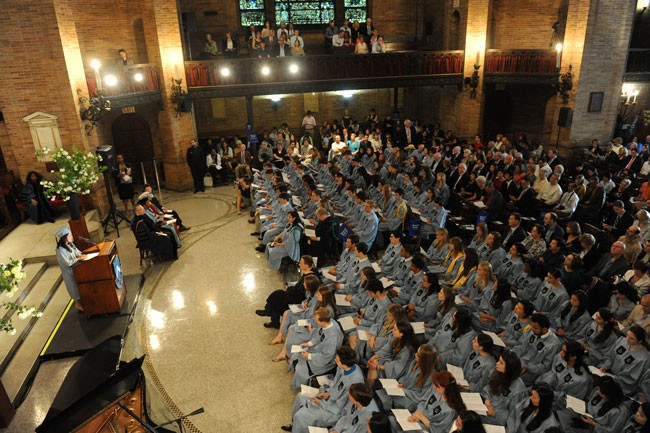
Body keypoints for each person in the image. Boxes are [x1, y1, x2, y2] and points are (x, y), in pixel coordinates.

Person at [55, 226, 87, 311]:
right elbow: (68, 262)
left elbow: (77, 252)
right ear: (64, 238)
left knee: (79, 286)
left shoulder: (70, 245)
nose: (71, 237)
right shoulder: (60, 250)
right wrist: (78, 258)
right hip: (69, 272)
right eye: (69, 236)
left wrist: (81, 255)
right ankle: (78, 304)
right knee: (74, 288)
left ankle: (83, 302)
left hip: (77, 270)